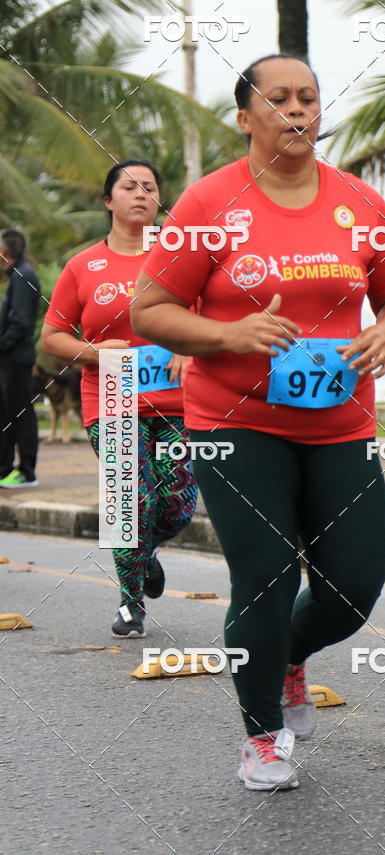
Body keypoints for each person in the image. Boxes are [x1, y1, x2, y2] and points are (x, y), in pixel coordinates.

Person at [131, 55, 385, 790]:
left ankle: (288, 656)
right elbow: (149, 311)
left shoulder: (361, 202)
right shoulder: (207, 204)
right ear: (245, 116)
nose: (297, 110)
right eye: (279, 98)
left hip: (342, 424)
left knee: (352, 589)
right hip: (236, 424)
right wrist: (230, 334)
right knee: (263, 577)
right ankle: (261, 738)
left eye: (309, 98)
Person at [41, 159, 199, 637]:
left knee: (176, 506)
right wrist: (94, 351)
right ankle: (131, 605)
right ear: (109, 200)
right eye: (129, 187)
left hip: (176, 403)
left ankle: (144, 554)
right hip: (110, 400)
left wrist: (188, 346)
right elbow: (52, 336)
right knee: (131, 501)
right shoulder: (82, 266)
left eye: (149, 187)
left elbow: (211, 317)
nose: (141, 194)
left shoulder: (181, 258)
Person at [0, 229, 41, 488]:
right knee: (7, 414)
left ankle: (26, 472)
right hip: (10, 358)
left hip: (16, 358)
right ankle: (5, 469)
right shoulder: (17, 275)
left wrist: (2, 345)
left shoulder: (22, 275)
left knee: (21, 413)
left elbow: (20, 322)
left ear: (3, 252)